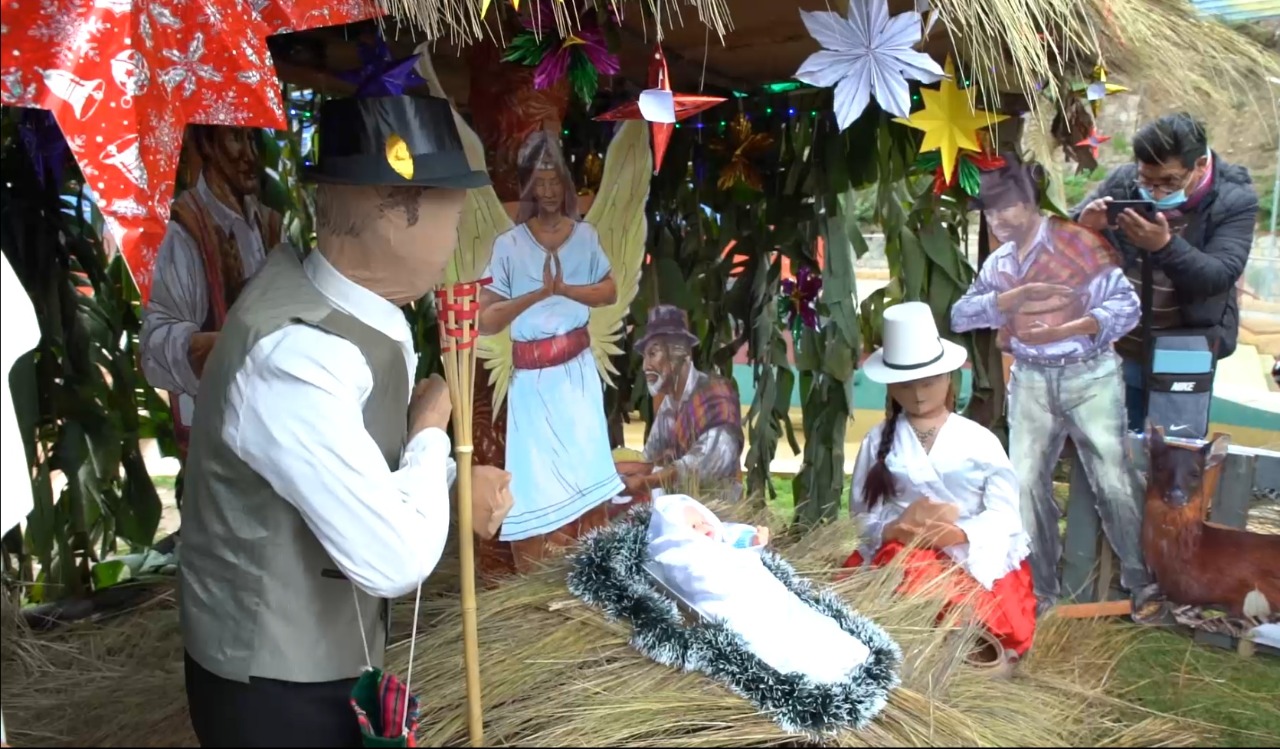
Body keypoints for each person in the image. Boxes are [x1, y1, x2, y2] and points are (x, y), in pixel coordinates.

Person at [178, 94, 514, 748]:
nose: (462, 234)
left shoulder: (355, 317)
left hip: (319, 662)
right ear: (394, 213)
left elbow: (345, 463)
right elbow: (394, 556)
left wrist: (446, 478)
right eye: (453, 210)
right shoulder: (297, 355)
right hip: (276, 692)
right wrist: (431, 425)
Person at [950, 155, 1152, 619]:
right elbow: (962, 314)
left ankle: (1143, 581)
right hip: (1031, 378)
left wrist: (1072, 326)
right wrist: (1011, 300)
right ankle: (1042, 590)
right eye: (989, 211)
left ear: (1029, 202)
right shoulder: (1000, 263)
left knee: (1113, 478)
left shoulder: (1079, 245)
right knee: (1022, 481)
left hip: (1090, 373)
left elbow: (1126, 306)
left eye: (1006, 209)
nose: (997, 220)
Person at [844, 302, 1036, 669]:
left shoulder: (980, 441)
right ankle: (928, 647)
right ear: (891, 385)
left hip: (972, 557)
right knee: (911, 564)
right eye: (906, 384)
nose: (918, 393)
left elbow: (1005, 514)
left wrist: (957, 535)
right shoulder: (876, 441)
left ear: (948, 377)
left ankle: (966, 648)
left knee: (952, 590)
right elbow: (863, 515)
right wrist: (895, 530)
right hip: (902, 557)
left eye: (928, 381)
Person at [477, 130, 623, 567]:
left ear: (564, 183)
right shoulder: (509, 246)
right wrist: (535, 295)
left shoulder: (586, 237)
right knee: (537, 486)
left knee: (589, 481)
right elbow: (486, 318)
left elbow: (610, 291)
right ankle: (537, 586)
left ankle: (597, 575)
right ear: (528, 188)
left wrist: (567, 290)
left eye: (553, 180)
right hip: (532, 387)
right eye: (537, 182)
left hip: (577, 375)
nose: (547, 191)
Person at [1073, 113, 1258, 432]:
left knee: (1175, 449)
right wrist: (1083, 227)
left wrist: (1165, 246)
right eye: (1147, 181)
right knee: (1113, 443)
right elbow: (1062, 242)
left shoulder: (1233, 200)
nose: (1155, 193)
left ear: (1200, 165)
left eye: (1169, 182)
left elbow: (1219, 275)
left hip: (1185, 347)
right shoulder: (1124, 180)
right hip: (1122, 343)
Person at [141, 125, 283, 456]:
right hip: (218, 439)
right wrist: (221, 349)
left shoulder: (270, 226)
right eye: (236, 138)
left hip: (272, 430)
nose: (250, 154)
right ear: (206, 145)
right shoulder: (183, 231)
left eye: (252, 139)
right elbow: (154, 346)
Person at [622, 304, 745, 502]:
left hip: (716, 512)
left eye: (653, 354)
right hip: (681, 507)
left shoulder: (716, 395)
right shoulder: (670, 404)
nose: (645, 366)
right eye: (644, 357)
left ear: (679, 354)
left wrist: (649, 481)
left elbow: (706, 463)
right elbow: (650, 458)